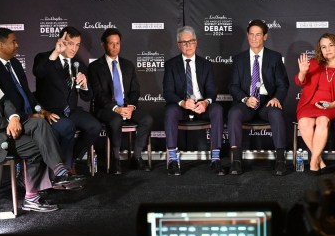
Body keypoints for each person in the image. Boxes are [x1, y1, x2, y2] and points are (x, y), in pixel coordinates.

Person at [0, 41, 84, 212]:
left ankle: (58, 172)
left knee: (40, 122)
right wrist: (9, 123)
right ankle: (33, 196)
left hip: (3, 132)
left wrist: (13, 117)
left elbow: (5, 101)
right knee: (38, 147)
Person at [0, 28, 77, 181]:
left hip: (34, 115)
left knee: (65, 126)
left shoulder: (14, 63)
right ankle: (50, 178)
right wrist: (27, 116)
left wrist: (43, 111)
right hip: (17, 121)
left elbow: (27, 94)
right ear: (0, 45)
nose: (17, 45)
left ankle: (59, 173)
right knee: (48, 134)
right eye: (13, 41)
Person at [33, 26, 101, 172]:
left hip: (72, 111)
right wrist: (56, 52)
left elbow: (87, 97)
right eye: (70, 43)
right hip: (51, 112)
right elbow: (39, 72)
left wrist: (84, 86)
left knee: (94, 126)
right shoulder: (45, 58)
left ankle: (72, 159)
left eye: (77, 45)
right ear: (61, 41)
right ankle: (65, 168)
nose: (74, 48)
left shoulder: (79, 65)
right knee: (67, 126)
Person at [227, 19, 290, 175]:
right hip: (246, 102)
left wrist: (276, 98)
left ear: (265, 37)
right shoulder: (239, 59)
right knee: (234, 113)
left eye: (258, 35)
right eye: (251, 34)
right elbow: (233, 86)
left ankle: (280, 161)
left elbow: (283, 84)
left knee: (276, 113)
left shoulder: (275, 57)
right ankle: (236, 161)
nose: (254, 38)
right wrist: (245, 99)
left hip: (266, 101)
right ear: (247, 36)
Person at [88, 28, 153, 174]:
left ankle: (136, 157)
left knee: (147, 119)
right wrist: (115, 108)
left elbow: (135, 90)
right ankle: (115, 159)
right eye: (111, 43)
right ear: (103, 45)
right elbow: (98, 94)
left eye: (117, 43)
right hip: (105, 109)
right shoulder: (95, 67)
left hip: (126, 106)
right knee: (116, 120)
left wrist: (131, 107)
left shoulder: (128, 65)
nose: (115, 47)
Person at [163, 26, 224, 176]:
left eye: (190, 41)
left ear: (196, 42)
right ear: (178, 45)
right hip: (181, 107)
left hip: (201, 106)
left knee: (217, 109)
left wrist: (206, 102)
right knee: (170, 110)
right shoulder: (171, 65)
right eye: (183, 42)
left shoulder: (206, 65)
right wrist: (182, 103)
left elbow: (211, 91)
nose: (187, 45)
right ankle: (172, 160)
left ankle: (215, 158)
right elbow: (168, 92)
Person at [295, 33, 335, 175]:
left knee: (322, 121)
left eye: (330, 45)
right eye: (323, 47)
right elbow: (300, 82)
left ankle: (313, 161)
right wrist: (302, 72)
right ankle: (320, 161)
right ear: (320, 50)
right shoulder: (315, 63)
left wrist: (332, 104)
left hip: (333, 105)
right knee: (304, 122)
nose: (327, 49)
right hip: (310, 103)